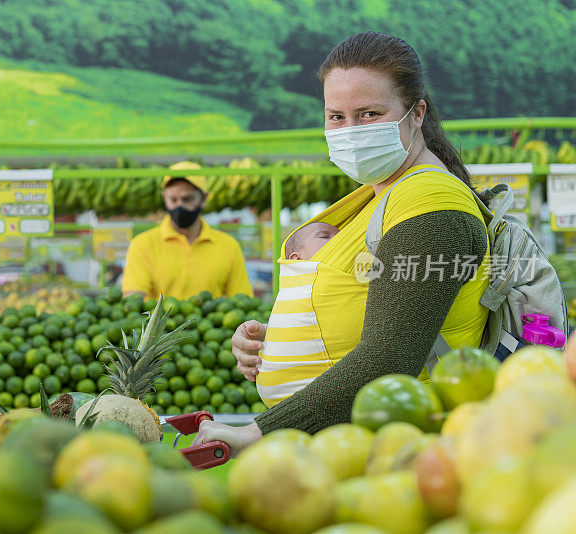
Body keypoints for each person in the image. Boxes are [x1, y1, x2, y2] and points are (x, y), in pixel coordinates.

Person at [193, 31, 491, 452]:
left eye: (369, 114)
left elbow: (390, 356)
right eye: (336, 116)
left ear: (417, 113)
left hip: (403, 447)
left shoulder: (430, 202)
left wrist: (256, 433)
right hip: (348, 443)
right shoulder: (380, 192)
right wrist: (273, 340)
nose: (350, 131)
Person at [122, 161, 253, 300]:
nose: (180, 206)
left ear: (204, 198)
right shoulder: (143, 245)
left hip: (209, 322)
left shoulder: (229, 246)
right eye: (173, 199)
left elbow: (242, 299)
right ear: (164, 197)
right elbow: (133, 299)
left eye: (187, 199)